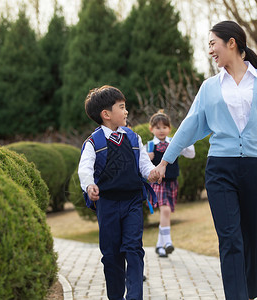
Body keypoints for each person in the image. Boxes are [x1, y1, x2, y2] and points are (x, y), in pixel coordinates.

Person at [150, 20, 257, 300]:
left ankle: (249, 292)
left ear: (232, 43)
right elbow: (190, 125)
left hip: (254, 168)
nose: (210, 50)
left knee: (254, 237)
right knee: (230, 238)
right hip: (220, 169)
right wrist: (165, 160)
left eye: (213, 43)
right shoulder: (209, 87)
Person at [78, 85, 157, 300]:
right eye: (121, 107)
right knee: (112, 255)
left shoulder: (133, 138)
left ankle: (134, 296)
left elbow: (143, 164)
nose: (126, 111)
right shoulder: (94, 143)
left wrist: (152, 173)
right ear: (106, 114)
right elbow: (84, 168)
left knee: (133, 248)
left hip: (132, 202)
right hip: (108, 205)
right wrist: (89, 185)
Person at [146, 110, 195, 257]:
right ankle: (168, 242)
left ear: (170, 128)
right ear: (151, 129)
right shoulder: (149, 146)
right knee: (165, 210)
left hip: (172, 182)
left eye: (164, 127)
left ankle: (159, 246)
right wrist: (148, 158)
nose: (161, 130)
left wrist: (185, 140)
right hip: (158, 183)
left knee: (166, 214)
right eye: (158, 127)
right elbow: (141, 163)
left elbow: (191, 154)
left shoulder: (174, 142)